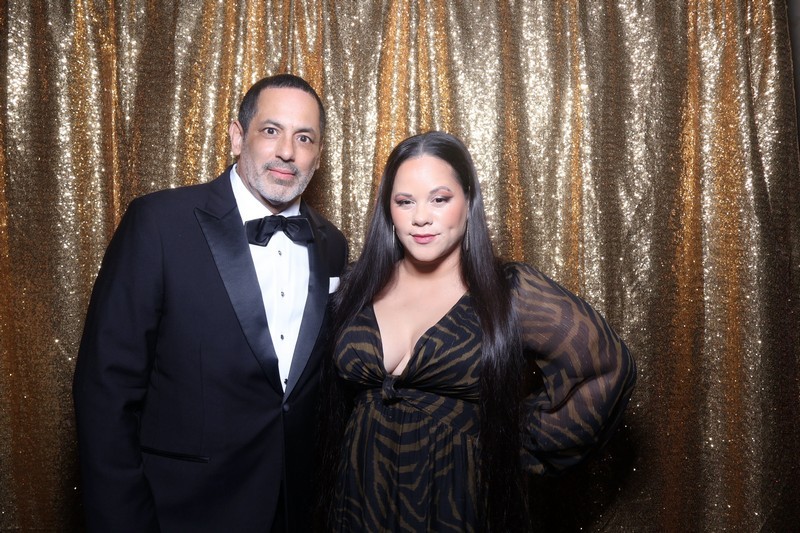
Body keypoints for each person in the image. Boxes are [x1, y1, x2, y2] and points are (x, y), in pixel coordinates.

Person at [317, 131, 636, 532]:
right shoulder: (357, 286)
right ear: (388, 209)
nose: (420, 217)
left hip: (457, 500)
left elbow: (607, 367)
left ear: (468, 201)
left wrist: (510, 439)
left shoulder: (508, 290)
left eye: (439, 199)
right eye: (405, 201)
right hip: (358, 497)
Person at [73, 73, 348, 532]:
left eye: (305, 138)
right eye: (271, 130)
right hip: (181, 510)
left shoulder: (332, 245)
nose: (287, 151)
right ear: (238, 136)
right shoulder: (160, 223)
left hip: (296, 510)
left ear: (318, 156)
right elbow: (105, 390)